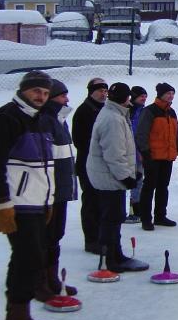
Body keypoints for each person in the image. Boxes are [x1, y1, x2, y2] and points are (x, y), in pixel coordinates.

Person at [0, 70, 55, 320]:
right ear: (24, 90)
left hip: (36, 202)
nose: (41, 96)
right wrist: (2, 203)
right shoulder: (6, 117)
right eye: (36, 90)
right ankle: (20, 319)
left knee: (29, 258)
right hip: (17, 203)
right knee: (28, 259)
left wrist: (48, 201)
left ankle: (15, 316)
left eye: (45, 93)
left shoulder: (39, 119)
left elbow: (43, 168)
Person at [87, 82, 149, 273]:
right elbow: (114, 154)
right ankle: (109, 260)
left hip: (110, 176)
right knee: (111, 218)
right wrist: (126, 177)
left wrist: (131, 173)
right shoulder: (113, 118)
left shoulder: (116, 114)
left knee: (114, 217)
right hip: (109, 177)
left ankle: (116, 254)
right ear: (125, 99)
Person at [41, 79, 78, 297]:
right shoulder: (46, 120)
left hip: (61, 187)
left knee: (55, 234)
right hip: (49, 190)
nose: (67, 99)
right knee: (46, 236)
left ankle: (52, 278)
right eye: (63, 95)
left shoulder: (59, 119)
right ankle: (41, 281)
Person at [135, 82, 178, 231]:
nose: (171, 96)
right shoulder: (150, 111)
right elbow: (141, 134)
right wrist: (146, 154)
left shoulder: (172, 112)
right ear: (160, 94)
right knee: (149, 187)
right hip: (153, 156)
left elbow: (176, 135)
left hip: (167, 156)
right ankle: (146, 219)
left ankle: (160, 216)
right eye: (168, 93)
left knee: (163, 187)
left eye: (172, 93)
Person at [72, 77, 108, 253]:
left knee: (102, 203)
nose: (103, 94)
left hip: (102, 164)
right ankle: (92, 240)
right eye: (100, 90)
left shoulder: (104, 110)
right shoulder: (84, 111)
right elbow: (79, 140)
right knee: (91, 202)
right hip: (87, 164)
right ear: (91, 91)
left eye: (105, 91)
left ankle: (102, 237)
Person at [126, 85, 148, 223]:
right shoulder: (128, 112)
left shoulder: (143, 112)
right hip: (128, 153)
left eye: (145, 97)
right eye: (141, 97)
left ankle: (136, 210)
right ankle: (132, 210)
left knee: (137, 181)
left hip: (138, 154)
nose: (144, 99)